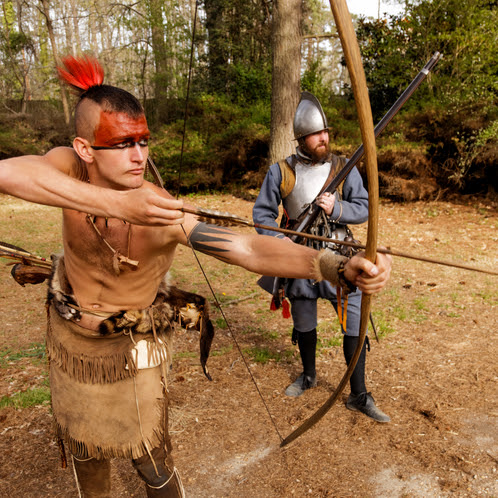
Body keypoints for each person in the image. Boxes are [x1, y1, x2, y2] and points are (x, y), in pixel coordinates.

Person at [0, 58, 391, 497]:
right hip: (71, 343)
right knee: (86, 455)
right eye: (122, 142)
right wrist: (115, 205)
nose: (139, 156)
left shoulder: (163, 211)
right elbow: (8, 174)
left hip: (131, 348)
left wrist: (333, 266)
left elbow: (246, 247)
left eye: (144, 141)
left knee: (151, 460)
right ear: (85, 149)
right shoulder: (68, 168)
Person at [253, 91, 390, 423]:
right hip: (299, 260)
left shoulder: (344, 167)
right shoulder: (281, 172)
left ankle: (358, 394)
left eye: (325, 132)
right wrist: (282, 240)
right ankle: (309, 375)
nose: (323, 138)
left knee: (354, 325)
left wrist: (338, 208)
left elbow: (366, 208)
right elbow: (262, 215)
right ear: (302, 138)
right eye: (316, 134)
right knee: (304, 322)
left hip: (343, 258)